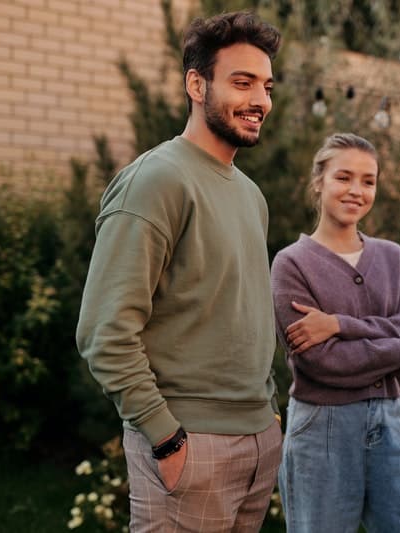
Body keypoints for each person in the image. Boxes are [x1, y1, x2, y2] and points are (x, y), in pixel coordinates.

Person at [76, 11, 283, 532]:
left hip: (258, 440)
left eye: (266, 86)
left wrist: (270, 413)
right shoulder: (156, 181)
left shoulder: (250, 195)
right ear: (196, 84)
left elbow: (242, 313)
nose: (259, 100)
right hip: (190, 443)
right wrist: (164, 435)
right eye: (242, 82)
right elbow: (104, 331)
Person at [270, 133, 400, 533]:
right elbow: (321, 361)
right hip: (322, 429)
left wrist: (338, 324)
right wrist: (399, 350)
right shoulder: (292, 264)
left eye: (368, 181)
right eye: (343, 178)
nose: (356, 191)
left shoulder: (391, 256)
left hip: (394, 421)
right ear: (319, 182)